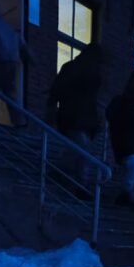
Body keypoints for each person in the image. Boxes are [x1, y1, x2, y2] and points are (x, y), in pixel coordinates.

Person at [47, 44, 104, 190]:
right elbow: (56, 91)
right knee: (83, 149)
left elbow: (91, 100)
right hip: (73, 117)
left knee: (82, 149)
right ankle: (75, 179)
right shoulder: (73, 69)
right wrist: (51, 112)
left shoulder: (90, 72)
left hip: (82, 118)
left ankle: (75, 179)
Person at [105, 69, 134, 208]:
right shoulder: (126, 104)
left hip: (125, 143)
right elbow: (124, 125)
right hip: (125, 144)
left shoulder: (129, 104)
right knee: (133, 166)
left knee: (133, 168)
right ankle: (126, 194)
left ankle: (127, 194)